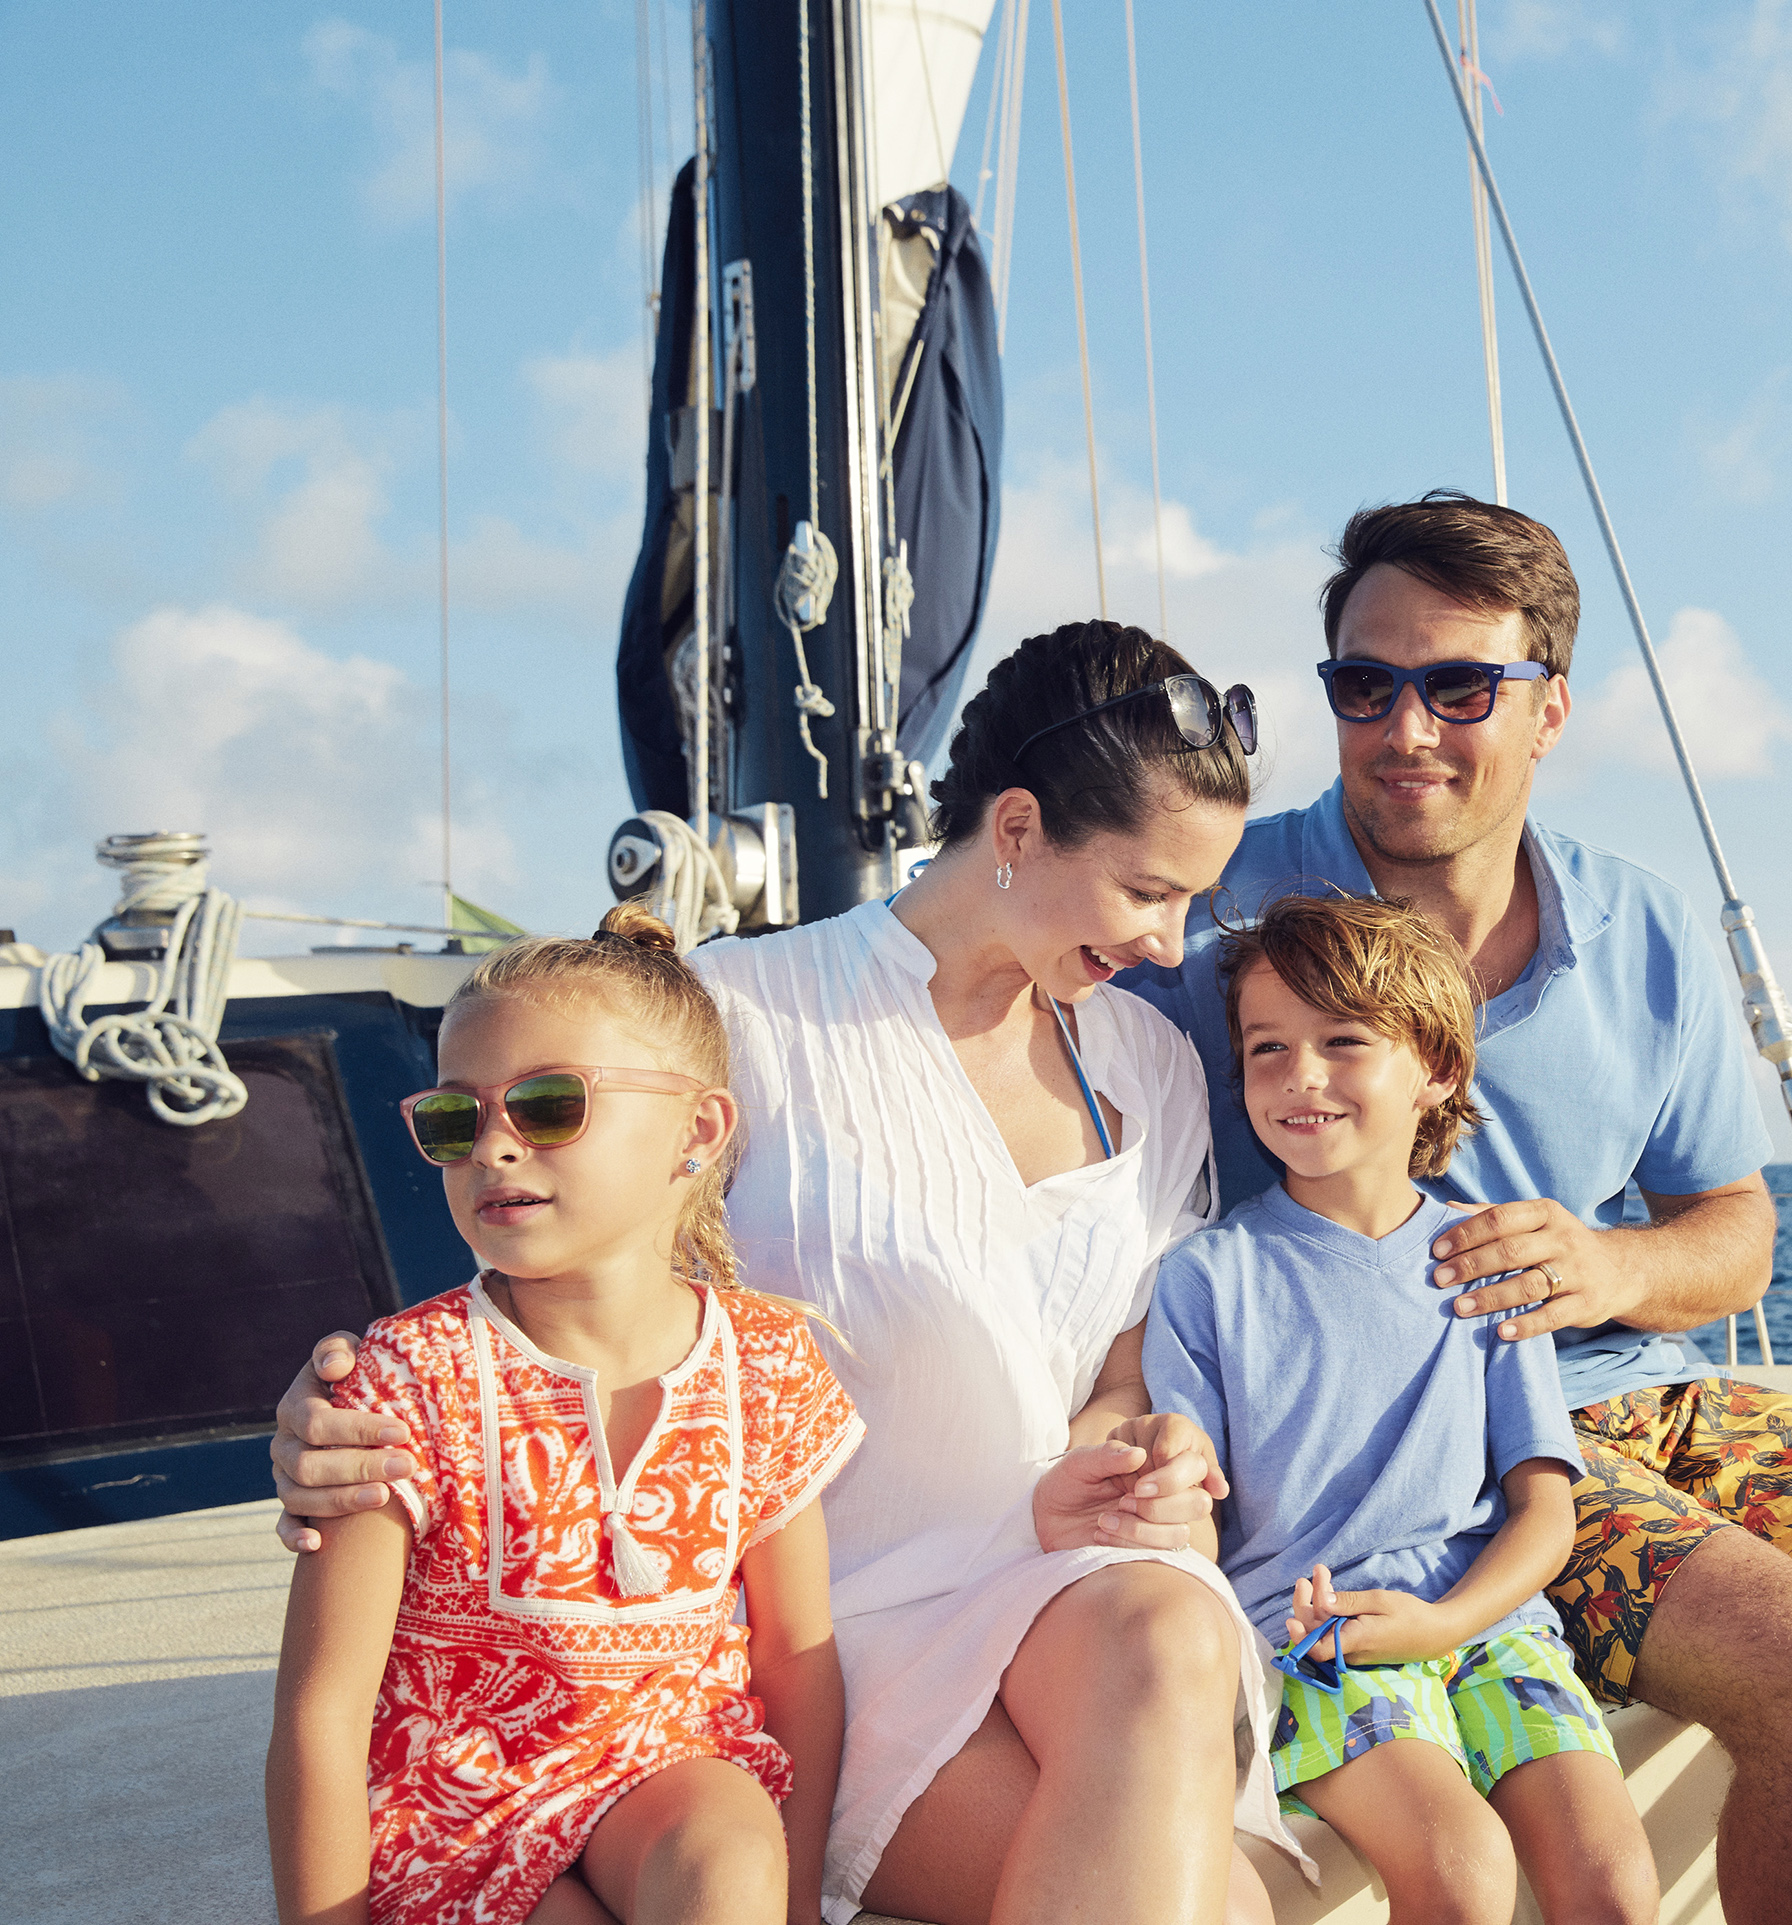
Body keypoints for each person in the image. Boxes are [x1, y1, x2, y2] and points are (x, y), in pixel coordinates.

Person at [1123, 495, 1792, 1925]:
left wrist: (1606, 1264)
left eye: (1460, 687)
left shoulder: (1640, 929)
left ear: (1549, 709)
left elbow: (1734, 1230)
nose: (1406, 730)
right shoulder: (1210, 901)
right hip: (1438, 1453)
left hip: (1648, 1387)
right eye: (1364, 685)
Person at [273, 622, 1311, 1925]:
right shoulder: (744, 1014)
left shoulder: (1147, 1069)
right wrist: (335, 1412)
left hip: (1069, 1596)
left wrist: (1125, 1448)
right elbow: (540, 1276)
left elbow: (1115, 1359)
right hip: (826, 1628)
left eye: (1191, 904)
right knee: (1223, 1909)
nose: (1172, 944)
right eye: (1149, 891)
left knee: (1171, 1626)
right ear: (1019, 826)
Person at [265, 902, 861, 1925]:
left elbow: (794, 1657)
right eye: (456, 1118)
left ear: (697, 1130)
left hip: (668, 1778)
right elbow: (322, 1712)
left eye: (547, 1105)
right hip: (457, 1818)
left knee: (726, 1849)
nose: (493, 1147)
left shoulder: (764, 1361)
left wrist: (797, 1901)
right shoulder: (404, 1380)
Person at [1141, 893, 1657, 1925]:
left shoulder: (1484, 1260)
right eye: (1266, 1047)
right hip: (1313, 1636)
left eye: (1342, 1040)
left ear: (1438, 1069)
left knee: (1614, 1882)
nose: (1300, 1076)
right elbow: (1192, 1499)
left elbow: (1543, 1508)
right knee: (1461, 1867)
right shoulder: (1207, 1276)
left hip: (1491, 1625)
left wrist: (1447, 1618)